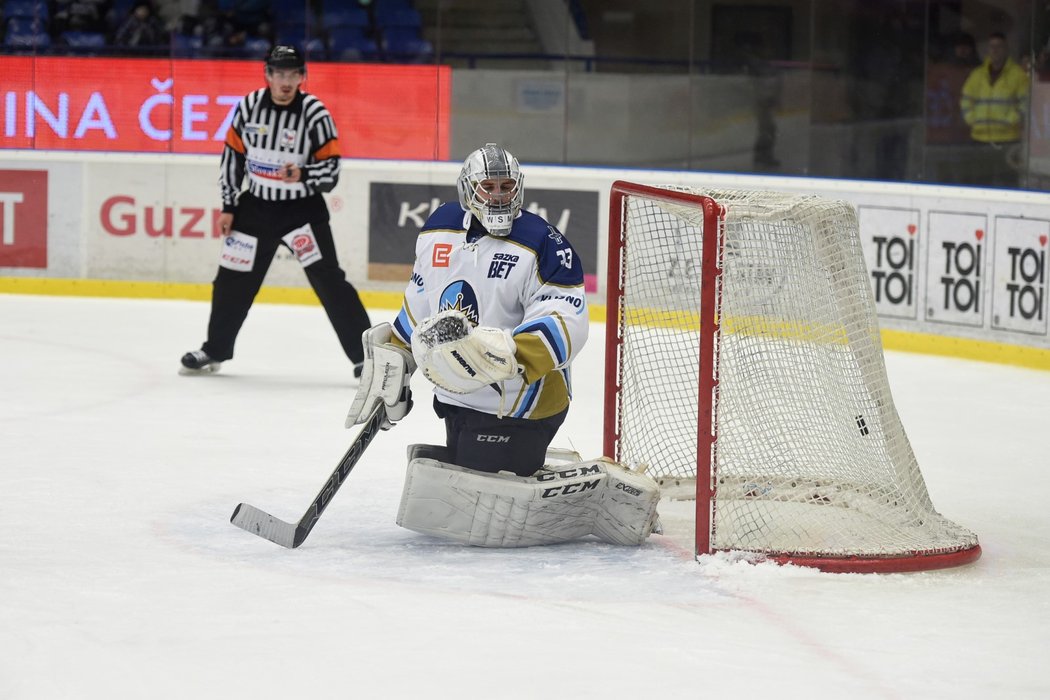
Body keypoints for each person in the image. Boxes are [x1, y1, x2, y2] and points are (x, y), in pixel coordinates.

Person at [343, 143, 661, 548]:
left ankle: (602, 494)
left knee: (483, 503)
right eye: (488, 185)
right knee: (459, 479)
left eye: (506, 185)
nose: (497, 195)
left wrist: (510, 356)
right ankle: (538, 469)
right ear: (467, 188)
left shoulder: (543, 243)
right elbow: (420, 299)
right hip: (457, 396)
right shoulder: (438, 228)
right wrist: (398, 355)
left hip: (520, 402)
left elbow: (565, 317)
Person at [180, 45, 372, 377]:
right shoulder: (249, 106)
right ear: (268, 75)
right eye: (279, 74)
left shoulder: (315, 113)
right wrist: (229, 205)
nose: (286, 82)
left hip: (302, 214)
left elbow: (332, 170)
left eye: (293, 75)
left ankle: (365, 357)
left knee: (329, 281)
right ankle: (214, 350)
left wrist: (305, 174)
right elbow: (232, 160)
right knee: (230, 282)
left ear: (302, 77)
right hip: (254, 210)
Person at [960, 32, 1030, 187]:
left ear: (1006, 49)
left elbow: (1025, 104)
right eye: (992, 46)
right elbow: (966, 100)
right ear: (987, 50)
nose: (995, 50)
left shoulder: (1018, 75)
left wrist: (1009, 120)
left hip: (1007, 142)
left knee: (1007, 187)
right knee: (980, 186)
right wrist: (973, 120)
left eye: (999, 46)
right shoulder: (977, 75)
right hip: (980, 140)